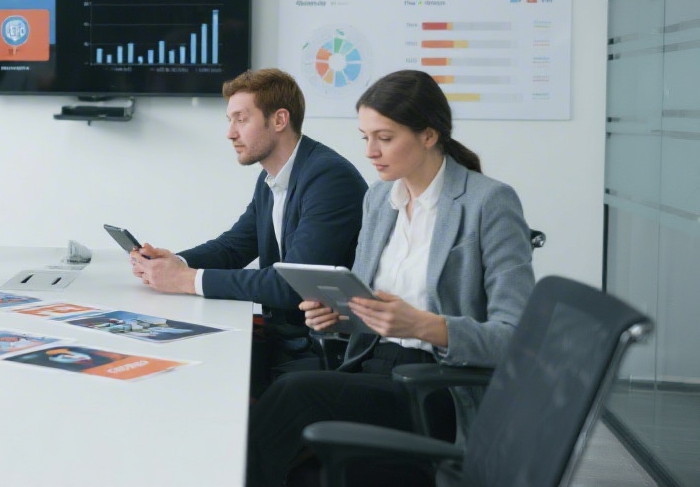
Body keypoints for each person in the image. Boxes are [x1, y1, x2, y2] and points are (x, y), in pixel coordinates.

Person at [245, 70, 536, 486]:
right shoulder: (380, 198)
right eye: (365, 137)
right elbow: (371, 308)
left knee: (293, 396)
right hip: (370, 367)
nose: (370, 151)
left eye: (384, 137)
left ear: (429, 135)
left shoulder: (488, 202)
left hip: (434, 387)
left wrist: (428, 326)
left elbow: (516, 338)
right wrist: (339, 315)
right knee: (283, 411)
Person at [129, 68, 367, 392]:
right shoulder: (272, 177)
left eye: (241, 119)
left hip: (322, 348)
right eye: (230, 120)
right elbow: (234, 247)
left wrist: (186, 280)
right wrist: (173, 262)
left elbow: (291, 282)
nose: (230, 133)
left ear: (279, 120)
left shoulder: (328, 178)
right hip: (285, 339)